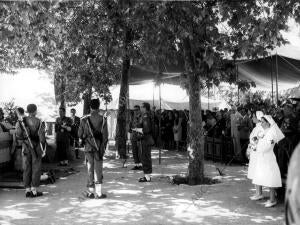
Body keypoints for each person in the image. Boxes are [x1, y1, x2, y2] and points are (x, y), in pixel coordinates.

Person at [252, 115, 285, 208]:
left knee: (271, 178)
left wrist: (257, 147)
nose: (261, 123)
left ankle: (272, 199)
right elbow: (258, 141)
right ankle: (260, 194)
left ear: (268, 122)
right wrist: (254, 145)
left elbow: (268, 146)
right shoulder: (262, 131)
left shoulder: (271, 133)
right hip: (261, 157)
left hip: (268, 157)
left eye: (262, 121)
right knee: (261, 175)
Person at [78, 99, 108, 199]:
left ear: (90, 107)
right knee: (98, 169)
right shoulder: (103, 119)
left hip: (88, 147)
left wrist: (86, 136)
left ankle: (90, 192)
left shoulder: (83, 119)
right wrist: (103, 148)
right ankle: (99, 193)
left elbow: (79, 134)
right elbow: (105, 136)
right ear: (99, 107)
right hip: (98, 147)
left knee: (90, 169)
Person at [15, 104, 46, 198]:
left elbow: (18, 135)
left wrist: (25, 138)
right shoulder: (39, 121)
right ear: (35, 111)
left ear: (28, 111)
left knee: (26, 168)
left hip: (25, 146)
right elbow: (42, 138)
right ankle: (34, 191)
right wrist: (43, 149)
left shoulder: (21, 121)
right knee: (36, 168)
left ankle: (27, 190)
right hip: (36, 147)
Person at [247, 111, 264, 200]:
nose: (252, 118)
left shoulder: (260, 127)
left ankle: (259, 193)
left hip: (257, 152)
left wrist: (251, 147)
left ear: (258, 118)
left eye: (253, 116)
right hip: (254, 151)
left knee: (257, 171)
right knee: (254, 171)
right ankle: (257, 192)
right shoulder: (256, 127)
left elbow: (257, 140)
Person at [138, 102, 154, 182]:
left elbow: (147, 129)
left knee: (145, 157)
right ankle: (147, 176)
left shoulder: (145, 116)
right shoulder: (147, 115)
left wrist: (139, 130)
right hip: (146, 138)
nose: (140, 108)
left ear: (145, 108)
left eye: (141, 107)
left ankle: (147, 177)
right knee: (146, 157)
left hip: (146, 139)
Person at [129, 105, 143, 170]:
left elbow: (141, 125)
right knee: (134, 152)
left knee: (139, 152)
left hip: (139, 136)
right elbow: (131, 126)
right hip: (133, 136)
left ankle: (140, 165)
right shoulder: (132, 117)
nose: (135, 111)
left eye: (136, 110)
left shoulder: (141, 117)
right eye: (134, 110)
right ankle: (136, 165)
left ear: (139, 110)